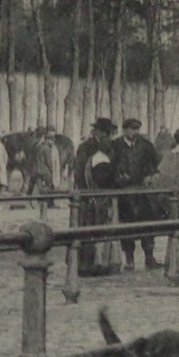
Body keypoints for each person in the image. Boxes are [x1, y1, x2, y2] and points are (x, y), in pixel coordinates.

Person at [111, 117, 163, 270]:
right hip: (124, 193)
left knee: (147, 224)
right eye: (132, 129)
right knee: (127, 226)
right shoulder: (116, 146)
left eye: (137, 129)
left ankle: (149, 257)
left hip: (142, 192)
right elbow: (109, 167)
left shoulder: (146, 146)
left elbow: (158, 164)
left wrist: (150, 176)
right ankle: (129, 259)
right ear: (124, 130)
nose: (135, 132)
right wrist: (117, 178)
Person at [74, 118, 121, 277]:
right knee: (87, 229)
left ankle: (101, 262)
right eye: (105, 132)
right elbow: (79, 173)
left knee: (101, 228)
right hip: (89, 195)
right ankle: (86, 265)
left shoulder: (110, 148)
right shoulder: (86, 147)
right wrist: (86, 193)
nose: (107, 136)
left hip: (102, 195)